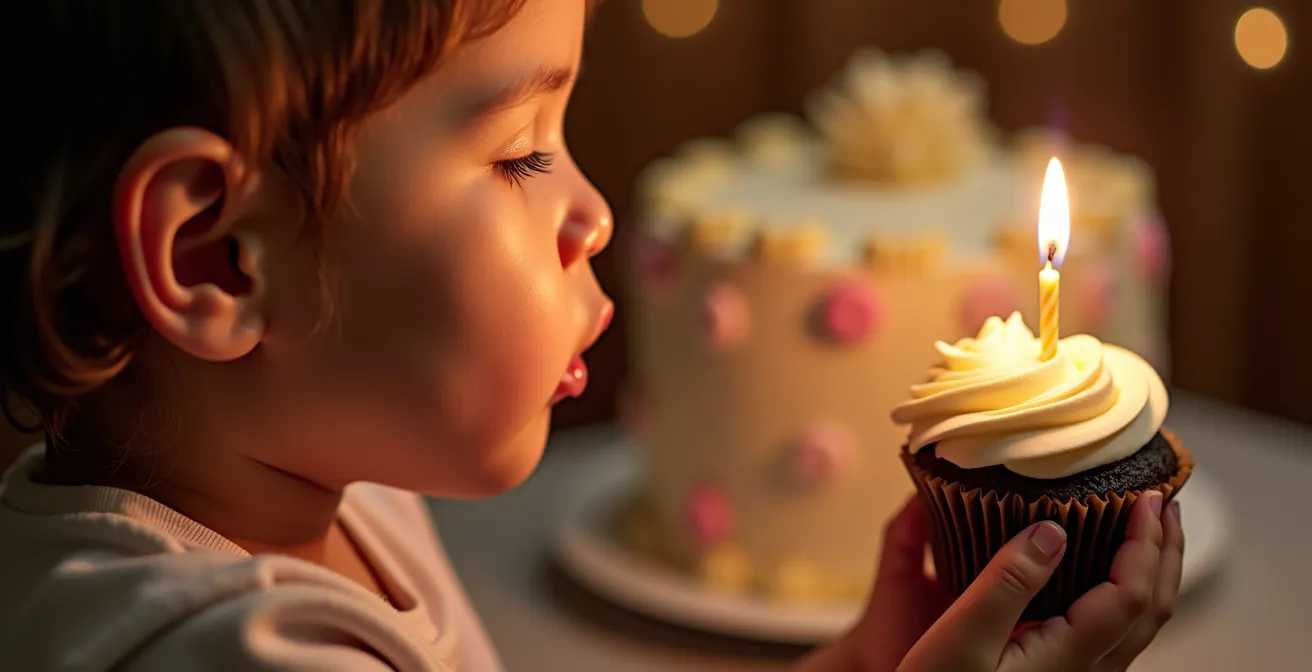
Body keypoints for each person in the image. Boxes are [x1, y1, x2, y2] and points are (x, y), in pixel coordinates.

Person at [0, 0, 1184, 669]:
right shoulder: (238, 657)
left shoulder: (333, 499)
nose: (594, 211)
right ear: (219, 258)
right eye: (517, 152)